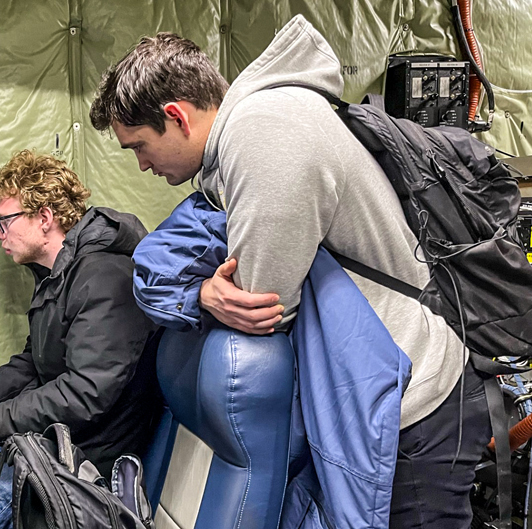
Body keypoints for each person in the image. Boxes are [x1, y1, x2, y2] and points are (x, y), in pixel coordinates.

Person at [89, 15, 490, 529]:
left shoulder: (263, 134)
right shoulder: (243, 142)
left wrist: (207, 296)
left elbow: (261, 307)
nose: (142, 165)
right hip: (375, 390)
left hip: (417, 403)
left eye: (139, 145)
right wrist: (203, 294)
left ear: (176, 116)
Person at [0, 149, 160, 529]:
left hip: (79, 465)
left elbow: (83, 392)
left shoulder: (103, 276)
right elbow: (33, 362)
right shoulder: (60, 274)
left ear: (44, 218)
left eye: (4, 222)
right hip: (47, 446)